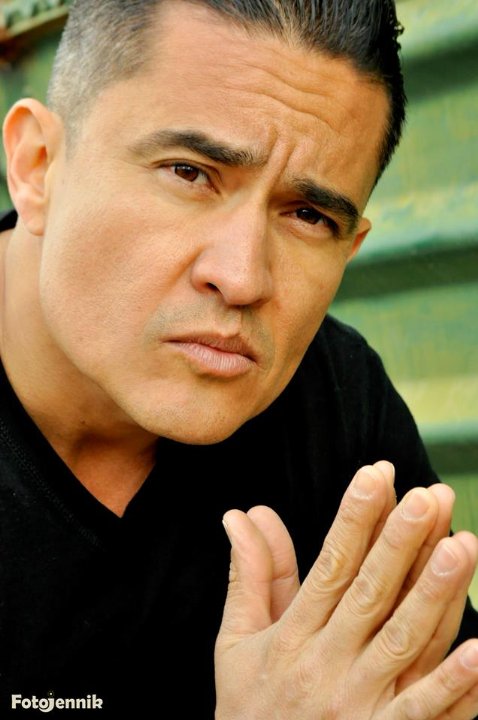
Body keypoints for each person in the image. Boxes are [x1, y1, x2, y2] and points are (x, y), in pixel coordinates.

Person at [0, 0, 477, 717]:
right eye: (189, 173)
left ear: (351, 248)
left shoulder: (336, 402)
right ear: (37, 165)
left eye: (308, 215)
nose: (243, 276)